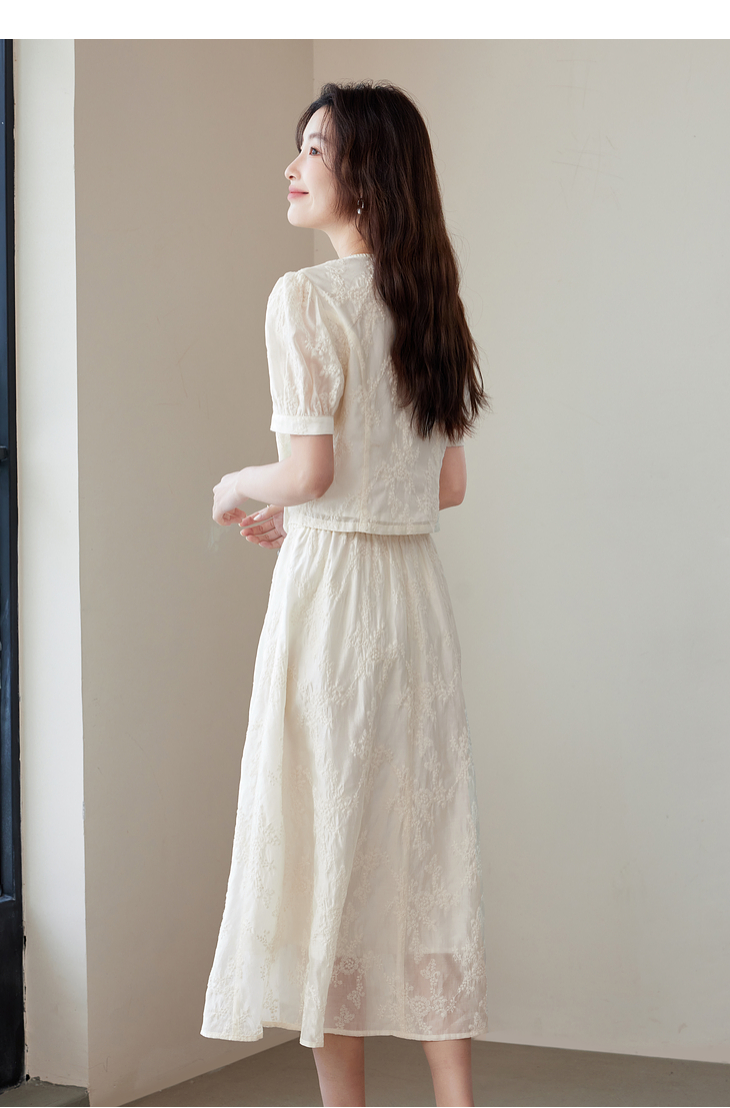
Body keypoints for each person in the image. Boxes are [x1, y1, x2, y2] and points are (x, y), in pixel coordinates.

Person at [201, 81, 489, 1108]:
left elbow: (309, 471)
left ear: (365, 173)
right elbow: (443, 486)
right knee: (424, 849)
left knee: (332, 851)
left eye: (315, 149)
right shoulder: (431, 303)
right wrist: (310, 513)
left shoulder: (304, 298)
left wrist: (239, 485)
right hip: (414, 602)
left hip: (333, 609)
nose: (293, 166)